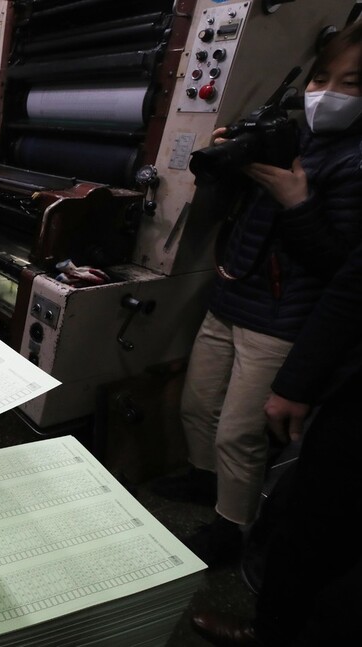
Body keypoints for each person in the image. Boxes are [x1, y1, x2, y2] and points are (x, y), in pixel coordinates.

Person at [153, 21, 362, 567]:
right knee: (198, 406)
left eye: (351, 82)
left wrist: (299, 203)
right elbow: (235, 212)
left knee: (239, 434)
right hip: (233, 297)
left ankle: (232, 529)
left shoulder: (355, 163)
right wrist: (231, 159)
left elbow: (343, 267)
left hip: (281, 319)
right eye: (322, 76)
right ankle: (205, 485)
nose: (327, 92)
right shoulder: (292, 137)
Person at [190, 239, 362, 646]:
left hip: (282, 316)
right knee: (309, 516)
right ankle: (271, 630)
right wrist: (299, 380)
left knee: (318, 523)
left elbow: (338, 271)